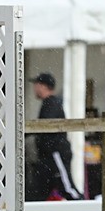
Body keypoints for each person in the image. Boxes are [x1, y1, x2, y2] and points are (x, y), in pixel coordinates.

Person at [29, 72, 75, 201]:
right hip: (47, 156)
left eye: (36, 85)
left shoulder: (52, 103)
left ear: (43, 86)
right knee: (39, 190)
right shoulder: (49, 103)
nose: (35, 88)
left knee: (67, 187)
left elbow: (44, 127)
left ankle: (83, 208)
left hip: (56, 153)